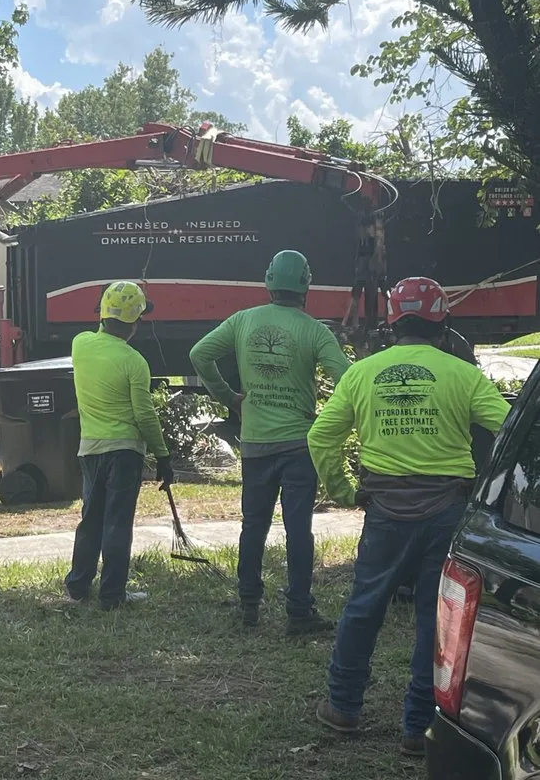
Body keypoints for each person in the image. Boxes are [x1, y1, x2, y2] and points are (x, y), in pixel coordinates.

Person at [309, 276, 510, 757]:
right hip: (447, 511)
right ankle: (419, 728)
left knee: (363, 606)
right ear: (442, 323)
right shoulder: (462, 374)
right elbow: (508, 428)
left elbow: (320, 437)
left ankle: (343, 707)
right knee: (436, 620)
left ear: (393, 323)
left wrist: (344, 490)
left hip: (383, 511)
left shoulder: (363, 373)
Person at [189, 250, 350, 633]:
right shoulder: (314, 331)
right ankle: (299, 611)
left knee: (254, 525)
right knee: (298, 529)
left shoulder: (244, 320)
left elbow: (200, 354)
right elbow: (348, 378)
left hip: (256, 444)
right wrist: (329, 419)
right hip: (299, 446)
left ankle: (249, 604)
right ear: (306, 285)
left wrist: (228, 397)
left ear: (269, 281)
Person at [65, 280, 174, 611]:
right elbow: (144, 415)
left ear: (101, 313)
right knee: (117, 522)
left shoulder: (80, 344)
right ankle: (112, 594)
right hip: (125, 452)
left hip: (90, 451)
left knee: (91, 519)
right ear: (135, 322)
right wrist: (164, 456)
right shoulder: (135, 361)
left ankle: (78, 586)